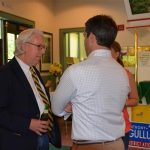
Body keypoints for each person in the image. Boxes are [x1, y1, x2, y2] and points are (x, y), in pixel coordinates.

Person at [51, 15, 130, 150]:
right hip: (117, 144)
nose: (84, 40)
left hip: (89, 146)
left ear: (91, 37)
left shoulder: (75, 71)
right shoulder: (122, 72)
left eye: (84, 35)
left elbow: (56, 109)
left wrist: (72, 105)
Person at [0, 28, 61, 150]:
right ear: (23, 46)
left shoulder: (33, 71)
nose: (43, 51)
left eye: (44, 47)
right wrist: (27, 123)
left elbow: (39, 100)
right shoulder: (5, 73)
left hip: (42, 137)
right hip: (20, 141)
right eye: (39, 46)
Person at [111, 41, 138, 150]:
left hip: (122, 128)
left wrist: (123, 102)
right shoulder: (96, 73)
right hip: (101, 129)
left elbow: (135, 99)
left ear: (117, 54)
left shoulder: (126, 74)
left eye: (109, 51)